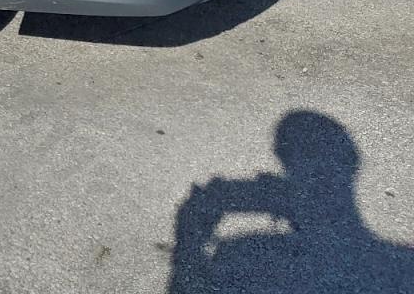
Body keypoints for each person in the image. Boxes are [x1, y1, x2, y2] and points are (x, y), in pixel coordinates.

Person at [169, 111, 414, 293]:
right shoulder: (405, 265)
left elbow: (186, 283)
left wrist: (188, 237)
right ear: (353, 164)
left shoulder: (241, 253)